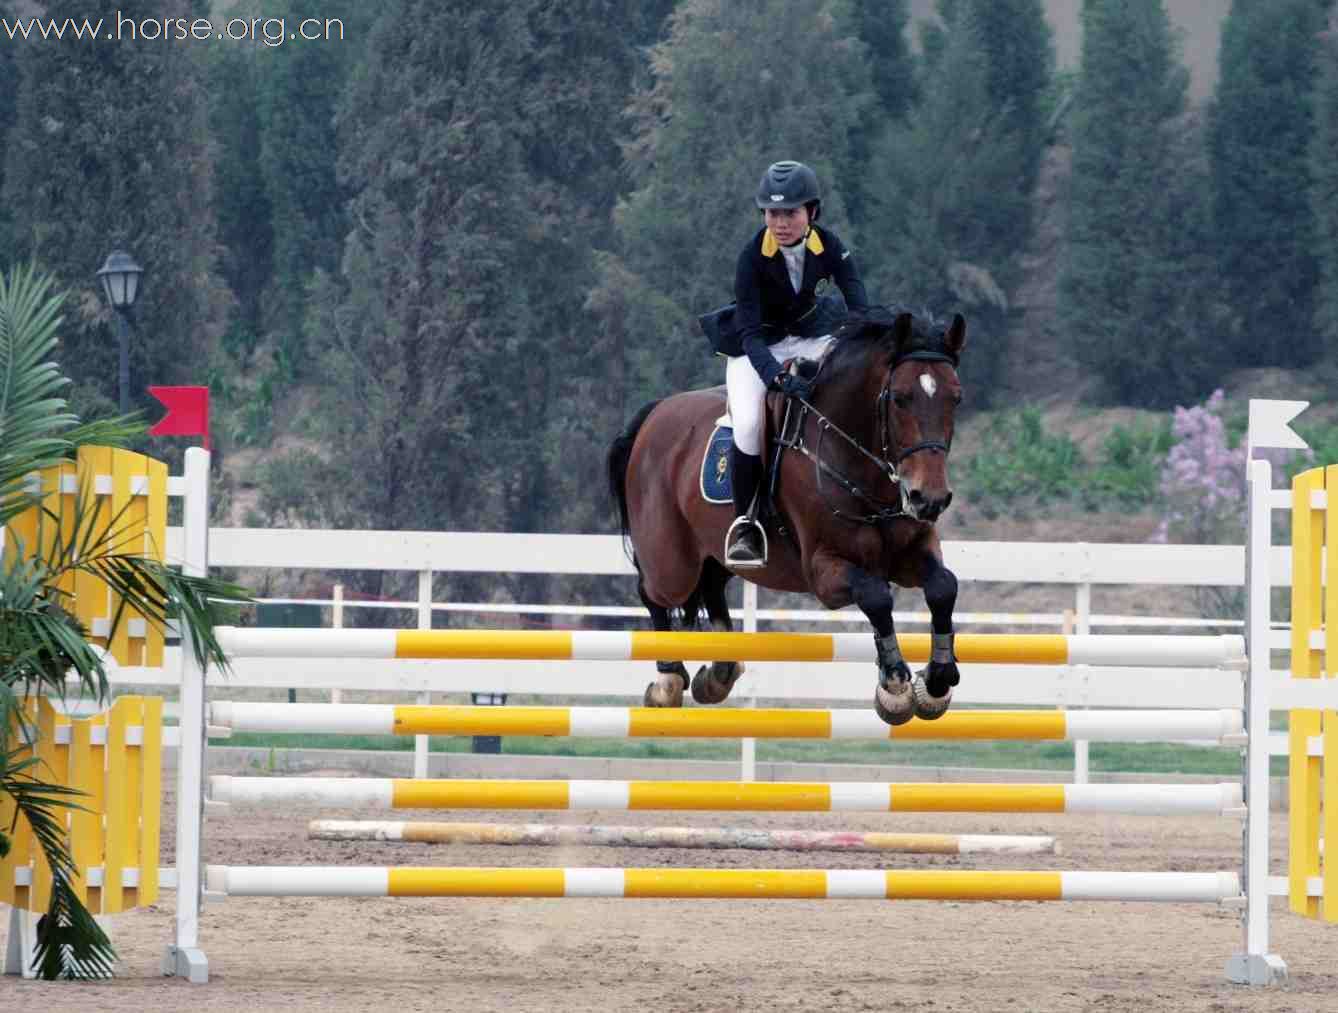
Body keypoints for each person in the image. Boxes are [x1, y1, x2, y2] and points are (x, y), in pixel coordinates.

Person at [718, 160, 869, 568]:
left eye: (790, 213)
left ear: (812, 213)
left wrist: (861, 352)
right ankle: (746, 524)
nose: (780, 222)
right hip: (756, 350)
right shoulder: (751, 257)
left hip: (808, 338)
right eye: (772, 213)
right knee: (748, 424)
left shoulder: (831, 246)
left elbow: (858, 303)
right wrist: (776, 376)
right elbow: (749, 333)